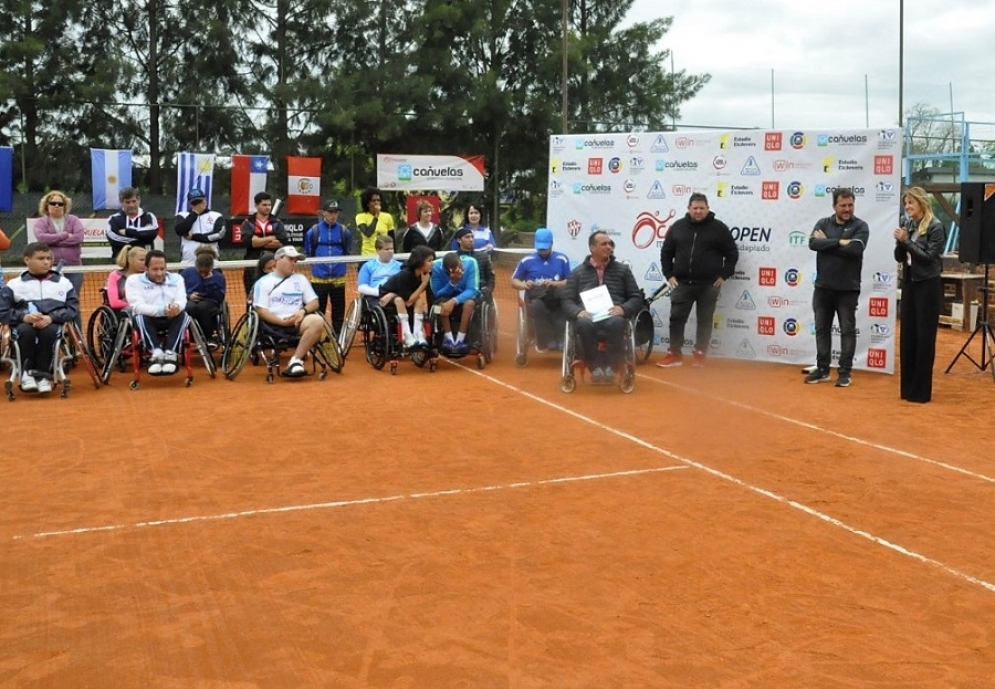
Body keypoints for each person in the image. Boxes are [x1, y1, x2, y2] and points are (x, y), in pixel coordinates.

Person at [656, 193, 738, 368]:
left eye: (702, 208)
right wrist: (669, 274)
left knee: (705, 320)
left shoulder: (719, 228)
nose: (699, 211)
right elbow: (666, 253)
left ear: (708, 209)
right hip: (682, 283)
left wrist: (724, 275)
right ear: (689, 209)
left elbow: (732, 253)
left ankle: (700, 355)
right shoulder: (677, 227)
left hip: (708, 285)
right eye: (695, 208)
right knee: (676, 319)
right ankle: (674, 354)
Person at [804, 188, 869, 388]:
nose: (847, 209)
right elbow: (813, 243)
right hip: (823, 287)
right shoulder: (823, 223)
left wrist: (828, 243)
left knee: (847, 331)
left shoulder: (861, 226)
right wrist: (840, 242)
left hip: (848, 289)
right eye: (843, 205)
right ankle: (823, 370)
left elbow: (855, 249)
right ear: (835, 206)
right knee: (822, 329)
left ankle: (844, 372)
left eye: (850, 205)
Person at [561, 230, 643, 382]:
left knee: (617, 322)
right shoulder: (577, 273)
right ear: (592, 248)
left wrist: (623, 309)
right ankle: (595, 367)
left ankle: (610, 368)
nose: (608, 247)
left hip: (613, 315)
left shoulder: (623, 271)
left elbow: (636, 297)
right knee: (584, 324)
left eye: (610, 244)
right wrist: (578, 311)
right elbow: (566, 300)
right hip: (588, 316)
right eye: (603, 244)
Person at [0, 242, 79, 394]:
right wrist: (24, 317)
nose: (46, 262)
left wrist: (52, 317)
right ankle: (26, 374)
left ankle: (43, 376)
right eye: (41, 258)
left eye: (49, 258)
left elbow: (72, 309)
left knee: (48, 331)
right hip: (23, 325)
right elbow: (2, 311)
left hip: (52, 324)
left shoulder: (64, 283)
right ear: (27, 260)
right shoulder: (14, 284)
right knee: (26, 331)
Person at [894, 186, 946, 403]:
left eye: (911, 203)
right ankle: (907, 389)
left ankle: (921, 391)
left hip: (928, 285)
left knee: (924, 339)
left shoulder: (935, 226)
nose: (907, 207)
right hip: (910, 284)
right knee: (908, 336)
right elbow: (899, 257)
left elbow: (928, 257)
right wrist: (900, 241)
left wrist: (907, 241)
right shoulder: (909, 225)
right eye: (906, 203)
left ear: (922, 204)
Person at [252, 246, 324, 377]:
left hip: (297, 322)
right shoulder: (263, 282)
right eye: (290, 259)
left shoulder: (301, 279)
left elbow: (314, 302)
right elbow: (261, 310)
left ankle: (295, 360)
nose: (294, 263)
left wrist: (302, 311)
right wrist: (281, 322)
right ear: (278, 260)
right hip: (272, 326)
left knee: (317, 321)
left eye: (295, 260)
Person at [125, 249, 191, 375]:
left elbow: (181, 299)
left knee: (184, 315)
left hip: (172, 317)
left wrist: (176, 307)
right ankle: (155, 353)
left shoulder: (177, 278)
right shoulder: (133, 280)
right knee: (139, 317)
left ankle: (171, 353)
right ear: (146, 268)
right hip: (149, 318)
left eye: (162, 269)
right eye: (155, 269)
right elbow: (137, 306)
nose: (159, 273)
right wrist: (161, 311)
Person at [510, 227, 571, 351]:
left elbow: (570, 281)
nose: (542, 251)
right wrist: (525, 285)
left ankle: (561, 339)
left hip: (555, 294)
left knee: (563, 306)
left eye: (545, 248)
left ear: (552, 244)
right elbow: (514, 281)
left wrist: (555, 283)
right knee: (538, 307)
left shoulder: (562, 259)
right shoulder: (526, 261)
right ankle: (547, 341)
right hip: (535, 295)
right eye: (540, 248)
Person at [303, 199, 351, 335]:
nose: (333, 215)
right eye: (330, 212)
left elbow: (347, 251)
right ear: (323, 212)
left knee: (338, 312)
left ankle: (337, 339)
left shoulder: (344, 231)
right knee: (318, 311)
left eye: (336, 212)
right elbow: (309, 252)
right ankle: (317, 337)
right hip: (319, 280)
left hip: (338, 280)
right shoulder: (313, 232)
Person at [33, 191, 85, 307]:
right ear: (47, 205)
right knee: (51, 299)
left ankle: (76, 326)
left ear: (64, 206)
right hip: (50, 267)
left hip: (74, 266)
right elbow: (42, 238)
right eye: (53, 203)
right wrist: (65, 235)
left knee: (73, 301)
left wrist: (54, 241)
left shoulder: (74, 220)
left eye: (60, 204)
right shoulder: (40, 222)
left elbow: (78, 237)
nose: (57, 206)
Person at [377, 245, 434, 348]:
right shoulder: (405, 275)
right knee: (399, 300)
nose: (432, 263)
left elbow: (413, 296)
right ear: (420, 262)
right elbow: (408, 302)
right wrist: (424, 284)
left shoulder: (426, 274)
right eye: (429, 260)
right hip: (387, 295)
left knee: (419, 300)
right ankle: (406, 335)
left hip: (405, 295)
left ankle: (418, 334)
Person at [430, 251, 480, 356]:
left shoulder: (471, 262)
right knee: (442, 305)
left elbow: (472, 289)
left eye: (460, 267)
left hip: (466, 296)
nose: (460, 270)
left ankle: (460, 340)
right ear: (448, 270)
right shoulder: (435, 267)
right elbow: (437, 293)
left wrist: (453, 301)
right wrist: (452, 283)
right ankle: (449, 340)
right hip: (445, 297)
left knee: (469, 304)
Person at [241, 191, 287, 299]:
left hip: (274, 265)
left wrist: (259, 241)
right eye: (264, 205)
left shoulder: (277, 222)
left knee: (275, 295)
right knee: (252, 297)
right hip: (252, 264)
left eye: (269, 205)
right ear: (256, 206)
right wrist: (271, 238)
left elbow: (281, 242)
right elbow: (249, 242)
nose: (267, 207)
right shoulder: (248, 223)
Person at [180, 246, 227, 343]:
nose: (202, 274)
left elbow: (219, 297)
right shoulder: (186, 273)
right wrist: (189, 296)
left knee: (202, 307)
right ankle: (190, 336)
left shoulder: (218, 277)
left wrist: (209, 281)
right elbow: (178, 291)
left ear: (211, 267)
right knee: (189, 307)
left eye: (205, 272)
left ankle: (207, 337)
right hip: (190, 301)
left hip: (210, 302)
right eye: (200, 271)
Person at [174, 187, 226, 264]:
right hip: (188, 262)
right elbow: (180, 230)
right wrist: (195, 213)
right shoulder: (182, 216)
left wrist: (193, 237)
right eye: (194, 203)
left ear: (205, 200)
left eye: (200, 201)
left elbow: (218, 235)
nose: (198, 205)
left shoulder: (216, 216)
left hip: (212, 263)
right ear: (189, 204)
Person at [106, 187, 159, 260]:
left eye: (134, 201)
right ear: (121, 202)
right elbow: (113, 238)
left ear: (139, 200)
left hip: (146, 262)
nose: (131, 205)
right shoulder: (113, 219)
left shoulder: (149, 217)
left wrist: (128, 232)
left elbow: (152, 234)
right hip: (122, 262)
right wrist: (141, 241)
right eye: (127, 202)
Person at [357, 235, 402, 307]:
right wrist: (379, 293)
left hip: (395, 296)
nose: (390, 251)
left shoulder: (400, 266)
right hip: (375, 297)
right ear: (378, 250)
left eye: (392, 249)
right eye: (387, 249)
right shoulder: (368, 266)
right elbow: (361, 287)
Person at [454, 225, 496, 302]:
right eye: (467, 237)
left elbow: (490, 277)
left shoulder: (483, 256)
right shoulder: (453, 258)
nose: (471, 239)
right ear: (459, 240)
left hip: (480, 293)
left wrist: (488, 289)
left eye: (472, 237)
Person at [105, 246, 148, 311]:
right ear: (130, 260)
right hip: (125, 312)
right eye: (141, 260)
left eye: (147, 260)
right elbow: (114, 303)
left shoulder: (149, 275)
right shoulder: (115, 275)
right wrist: (137, 306)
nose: (145, 263)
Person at [356, 187, 396, 256]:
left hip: (384, 256)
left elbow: (391, 238)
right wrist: (376, 216)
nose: (376, 202)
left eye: (378, 200)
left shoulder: (387, 217)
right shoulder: (361, 216)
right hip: (368, 256)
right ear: (367, 203)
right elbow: (368, 233)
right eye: (373, 200)